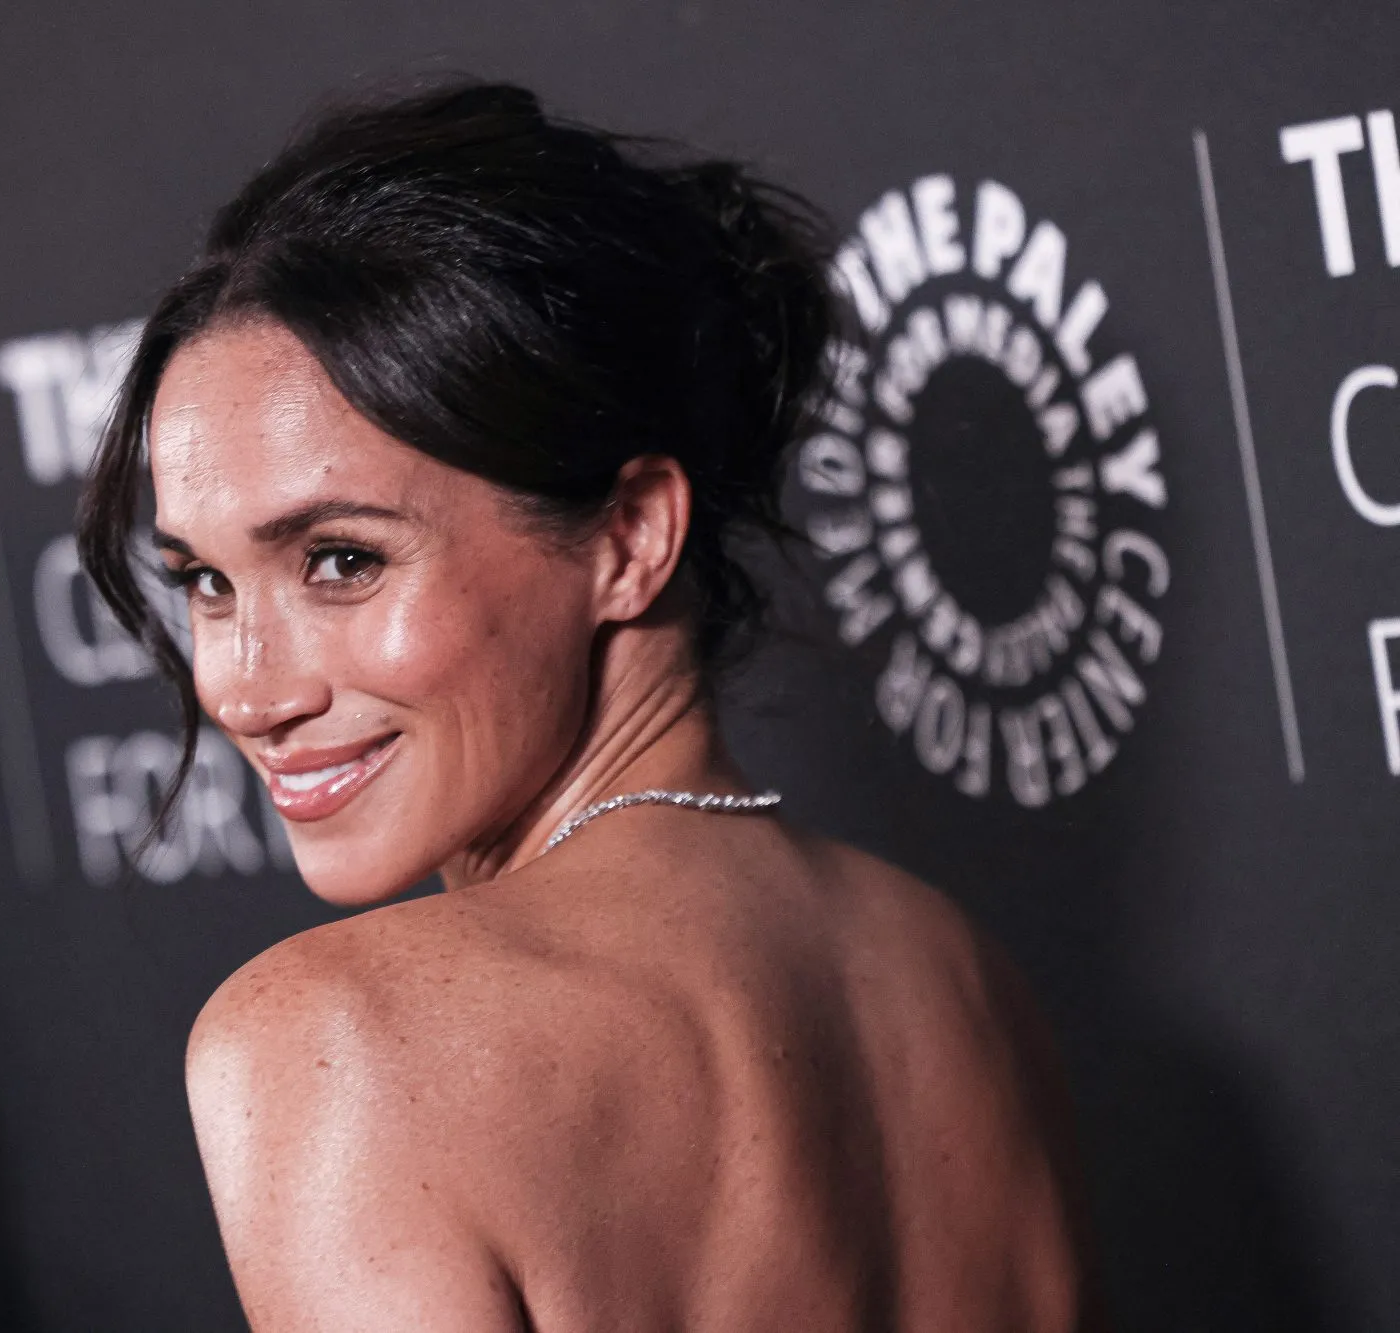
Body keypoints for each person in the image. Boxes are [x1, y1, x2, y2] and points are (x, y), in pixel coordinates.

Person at [80, 80, 1102, 1332]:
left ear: (626, 537)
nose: (244, 686)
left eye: (340, 561)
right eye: (200, 579)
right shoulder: (954, 971)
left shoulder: (340, 1044)